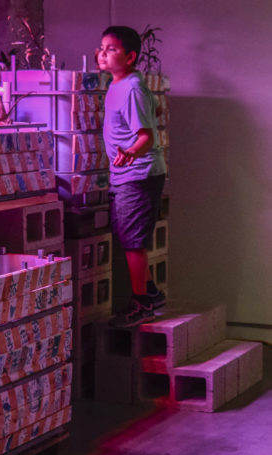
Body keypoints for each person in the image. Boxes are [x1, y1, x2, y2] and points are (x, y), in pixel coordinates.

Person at [95, 25, 167, 328]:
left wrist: (129, 152)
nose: (103, 53)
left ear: (130, 56)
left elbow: (147, 137)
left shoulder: (132, 88)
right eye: (102, 47)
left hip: (136, 175)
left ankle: (142, 304)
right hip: (129, 174)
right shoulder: (123, 84)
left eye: (112, 49)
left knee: (132, 242)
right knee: (129, 235)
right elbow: (157, 109)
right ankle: (150, 292)